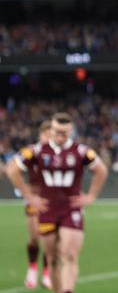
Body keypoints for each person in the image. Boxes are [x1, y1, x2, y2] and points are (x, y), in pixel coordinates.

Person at [6, 112, 108, 293]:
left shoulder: (81, 151)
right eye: (57, 132)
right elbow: (12, 169)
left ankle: (68, 290)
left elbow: (101, 170)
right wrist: (29, 197)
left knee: (69, 255)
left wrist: (91, 195)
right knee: (52, 258)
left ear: (71, 131)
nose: (60, 136)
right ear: (51, 130)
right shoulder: (37, 150)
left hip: (71, 209)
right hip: (47, 210)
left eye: (65, 132)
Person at [23, 121, 52, 289]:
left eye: (51, 135)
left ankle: (47, 273)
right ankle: (32, 268)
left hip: (51, 200)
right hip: (34, 199)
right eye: (45, 134)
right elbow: (14, 168)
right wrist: (26, 191)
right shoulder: (31, 152)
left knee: (49, 239)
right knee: (34, 237)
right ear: (40, 135)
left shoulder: (58, 154)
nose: (48, 138)